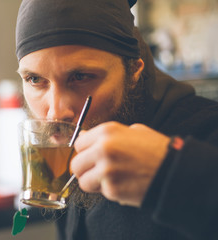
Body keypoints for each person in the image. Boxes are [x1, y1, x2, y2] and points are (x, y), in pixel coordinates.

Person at [15, 0, 218, 239]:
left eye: (80, 76)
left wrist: (170, 173)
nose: (55, 113)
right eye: (35, 80)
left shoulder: (207, 132)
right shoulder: (67, 159)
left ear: (133, 72)